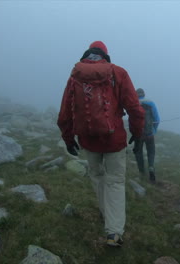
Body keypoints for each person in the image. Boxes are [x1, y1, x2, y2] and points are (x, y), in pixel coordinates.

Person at [57, 41, 144, 247]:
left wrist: (68, 139)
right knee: (115, 181)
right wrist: (138, 134)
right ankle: (114, 232)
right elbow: (134, 108)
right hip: (114, 140)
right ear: (106, 55)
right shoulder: (118, 73)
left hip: (88, 140)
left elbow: (64, 114)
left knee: (98, 178)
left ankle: (108, 215)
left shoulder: (75, 77)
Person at [133, 88, 160, 183]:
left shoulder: (134, 103)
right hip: (149, 134)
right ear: (144, 94)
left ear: (136, 95)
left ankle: (142, 173)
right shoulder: (151, 103)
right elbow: (157, 119)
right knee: (151, 152)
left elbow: (131, 120)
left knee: (138, 153)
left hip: (138, 134)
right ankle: (151, 168)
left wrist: (133, 132)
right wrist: (154, 130)